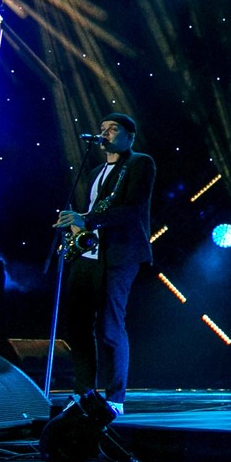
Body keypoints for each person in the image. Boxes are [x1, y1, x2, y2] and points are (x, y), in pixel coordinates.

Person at [55, 113, 156, 415]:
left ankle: (115, 398)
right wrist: (75, 226)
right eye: (103, 129)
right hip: (88, 256)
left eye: (113, 129)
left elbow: (131, 209)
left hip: (120, 255)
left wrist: (86, 220)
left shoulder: (140, 163)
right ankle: (83, 391)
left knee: (110, 327)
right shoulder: (96, 171)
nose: (105, 134)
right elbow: (90, 212)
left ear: (129, 136)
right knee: (78, 326)